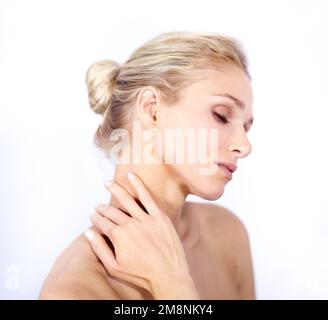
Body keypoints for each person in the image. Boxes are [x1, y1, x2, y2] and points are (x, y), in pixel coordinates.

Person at [39, 31, 255, 300]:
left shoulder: (225, 235)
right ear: (152, 108)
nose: (245, 147)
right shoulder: (76, 289)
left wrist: (175, 286)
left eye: (246, 127)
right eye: (222, 115)